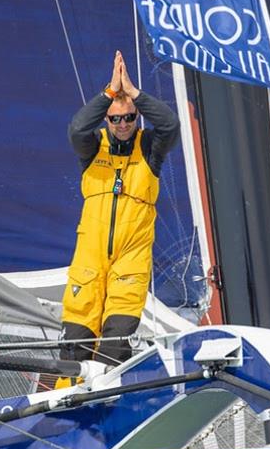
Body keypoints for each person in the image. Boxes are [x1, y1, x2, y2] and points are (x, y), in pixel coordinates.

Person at [58, 50, 180, 376]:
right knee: (76, 340)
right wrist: (110, 93)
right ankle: (67, 404)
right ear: (107, 120)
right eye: (115, 118)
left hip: (131, 259)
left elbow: (170, 124)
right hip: (90, 259)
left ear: (136, 117)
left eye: (129, 117)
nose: (122, 124)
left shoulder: (149, 146)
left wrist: (135, 93)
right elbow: (76, 129)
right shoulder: (92, 145)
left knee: (116, 341)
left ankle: (110, 399)